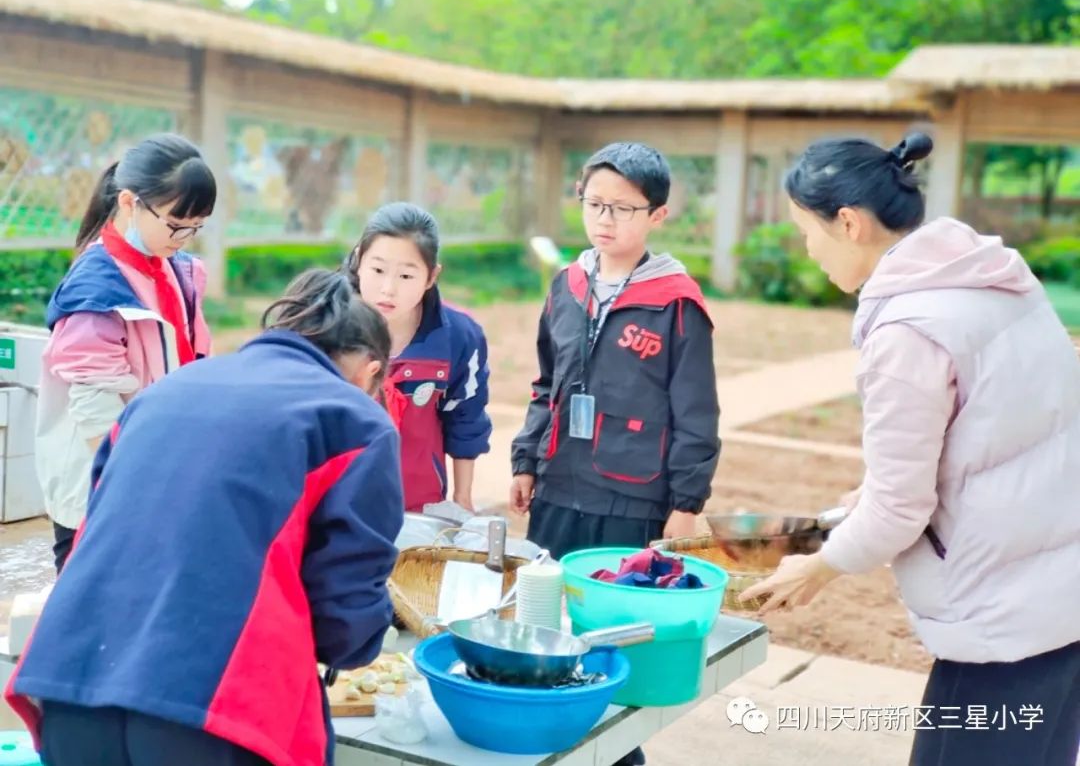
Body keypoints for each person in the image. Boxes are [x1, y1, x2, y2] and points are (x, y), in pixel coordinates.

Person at [741, 133, 1080, 766]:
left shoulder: (906, 333)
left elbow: (901, 509)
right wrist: (855, 510)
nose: (807, 250)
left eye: (806, 232)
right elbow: (982, 440)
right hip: (1061, 603)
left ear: (848, 223)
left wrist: (820, 565)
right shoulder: (995, 279)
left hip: (999, 626)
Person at [6, 269, 404, 766]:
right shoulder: (355, 419)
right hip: (212, 710)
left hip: (68, 682)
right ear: (371, 371)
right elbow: (345, 606)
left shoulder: (163, 393)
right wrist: (358, 644)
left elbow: (102, 525)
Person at [510, 142, 721, 561]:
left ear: (657, 215)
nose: (605, 220)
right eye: (595, 204)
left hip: (634, 500)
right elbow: (546, 384)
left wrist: (686, 504)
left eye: (623, 209)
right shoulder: (566, 286)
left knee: (618, 613)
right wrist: (526, 462)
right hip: (557, 488)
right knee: (546, 606)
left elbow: (696, 412)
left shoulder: (677, 303)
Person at [36, 133, 216, 573]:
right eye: (176, 224)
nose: (185, 238)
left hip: (156, 465)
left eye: (196, 227)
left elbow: (192, 361)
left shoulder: (178, 271)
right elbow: (95, 412)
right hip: (106, 481)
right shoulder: (96, 289)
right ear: (131, 201)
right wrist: (134, 485)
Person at [346, 202, 492, 512]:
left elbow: (466, 417)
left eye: (406, 276)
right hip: (340, 501)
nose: (388, 289)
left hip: (419, 503)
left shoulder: (459, 336)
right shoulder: (327, 328)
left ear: (431, 277)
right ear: (359, 260)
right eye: (378, 270)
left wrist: (463, 498)